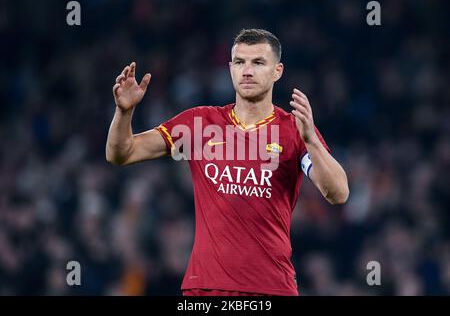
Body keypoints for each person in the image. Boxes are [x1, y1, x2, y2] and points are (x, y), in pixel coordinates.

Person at [106, 28, 349, 296]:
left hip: (270, 288)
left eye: (258, 63)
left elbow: (338, 193)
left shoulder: (293, 130)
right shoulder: (199, 124)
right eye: (239, 62)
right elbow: (122, 153)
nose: (247, 71)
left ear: (277, 71)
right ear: (230, 68)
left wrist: (312, 140)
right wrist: (124, 112)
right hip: (205, 288)